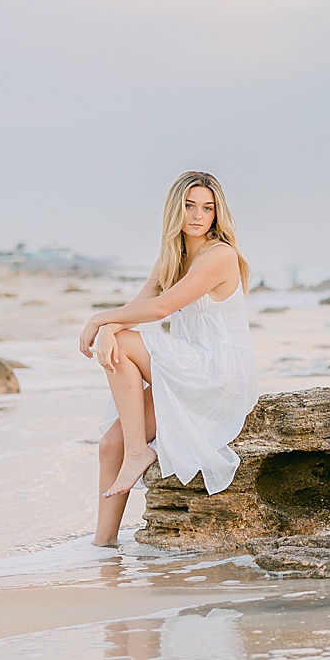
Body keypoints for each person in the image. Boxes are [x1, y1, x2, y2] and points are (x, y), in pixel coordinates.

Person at [78, 171, 257, 547]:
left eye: (207, 208)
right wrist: (111, 326)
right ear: (176, 209)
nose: (197, 215)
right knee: (110, 445)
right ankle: (103, 546)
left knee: (123, 341)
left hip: (215, 372)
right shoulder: (172, 257)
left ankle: (139, 452)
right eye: (189, 206)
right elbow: (138, 305)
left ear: (216, 215)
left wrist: (101, 321)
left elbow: (161, 308)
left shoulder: (219, 255)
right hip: (187, 368)